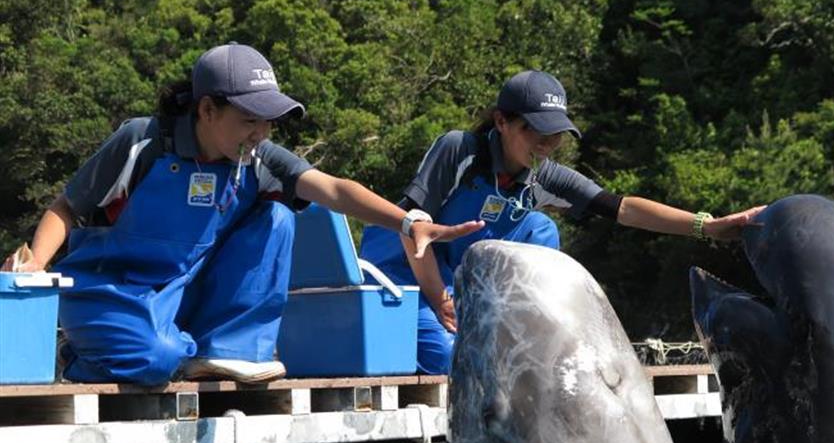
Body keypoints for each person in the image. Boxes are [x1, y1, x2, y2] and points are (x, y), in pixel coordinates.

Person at [0, 43, 482, 385]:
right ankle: (86, 353)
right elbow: (67, 206)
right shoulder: (142, 142)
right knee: (155, 362)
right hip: (111, 290)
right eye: (249, 120)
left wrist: (407, 222)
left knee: (278, 218)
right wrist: (35, 268)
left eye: (267, 122)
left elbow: (333, 188)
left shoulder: (259, 160)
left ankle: (224, 350)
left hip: (182, 290)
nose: (259, 133)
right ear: (207, 110)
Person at [360, 70, 764, 374]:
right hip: (403, 273)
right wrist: (442, 303)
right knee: (456, 360)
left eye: (555, 135)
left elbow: (622, 207)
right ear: (502, 122)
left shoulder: (542, 175)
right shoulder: (460, 151)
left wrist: (705, 226)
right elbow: (413, 228)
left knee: (541, 229)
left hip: (455, 275)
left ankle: (520, 335)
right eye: (535, 131)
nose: (546, 145)